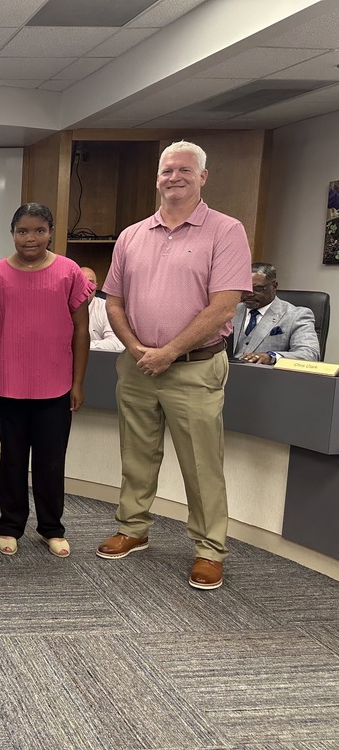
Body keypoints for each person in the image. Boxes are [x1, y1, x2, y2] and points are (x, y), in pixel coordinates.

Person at [96, 141, 252, 590]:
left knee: (202, 464)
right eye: (167, 170)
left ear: (203, 177)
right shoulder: (132, 235)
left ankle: (209, 550)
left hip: (194, 368)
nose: (174, 177)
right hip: (138, 365)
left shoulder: (225, 231)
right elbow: (114, 301)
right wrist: (137, 348)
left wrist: (168, 352)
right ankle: (133, 528)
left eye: (185, 170)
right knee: (136, 455)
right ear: (158, 177)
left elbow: (223, 308)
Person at [0, 204, 92, 558]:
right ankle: (10, 525)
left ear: (51, 232)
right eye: (23, 231)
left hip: (55, 385)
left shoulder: (69, 271)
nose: (31, 238)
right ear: (12, 232)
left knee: (51, 460)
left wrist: (77, 382)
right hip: (8, 384)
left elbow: (82, 330)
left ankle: (51, 528)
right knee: (11, 459)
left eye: (39, 231)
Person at [232, 262, 320, 363]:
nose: (249, 294)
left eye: (257, 289)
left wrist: (272, 357)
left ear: (274, 286)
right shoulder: (229, 311)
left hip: (267, 376)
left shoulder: (296, 315)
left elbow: (310, 354)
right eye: (245, 288)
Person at [80, 266, 124, 351]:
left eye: (90, 282)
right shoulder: (60, 307)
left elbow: (117, 342)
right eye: (81, 281)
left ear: (95, 287)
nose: (85, 286)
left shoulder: (105, 307)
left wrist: (81, 347)